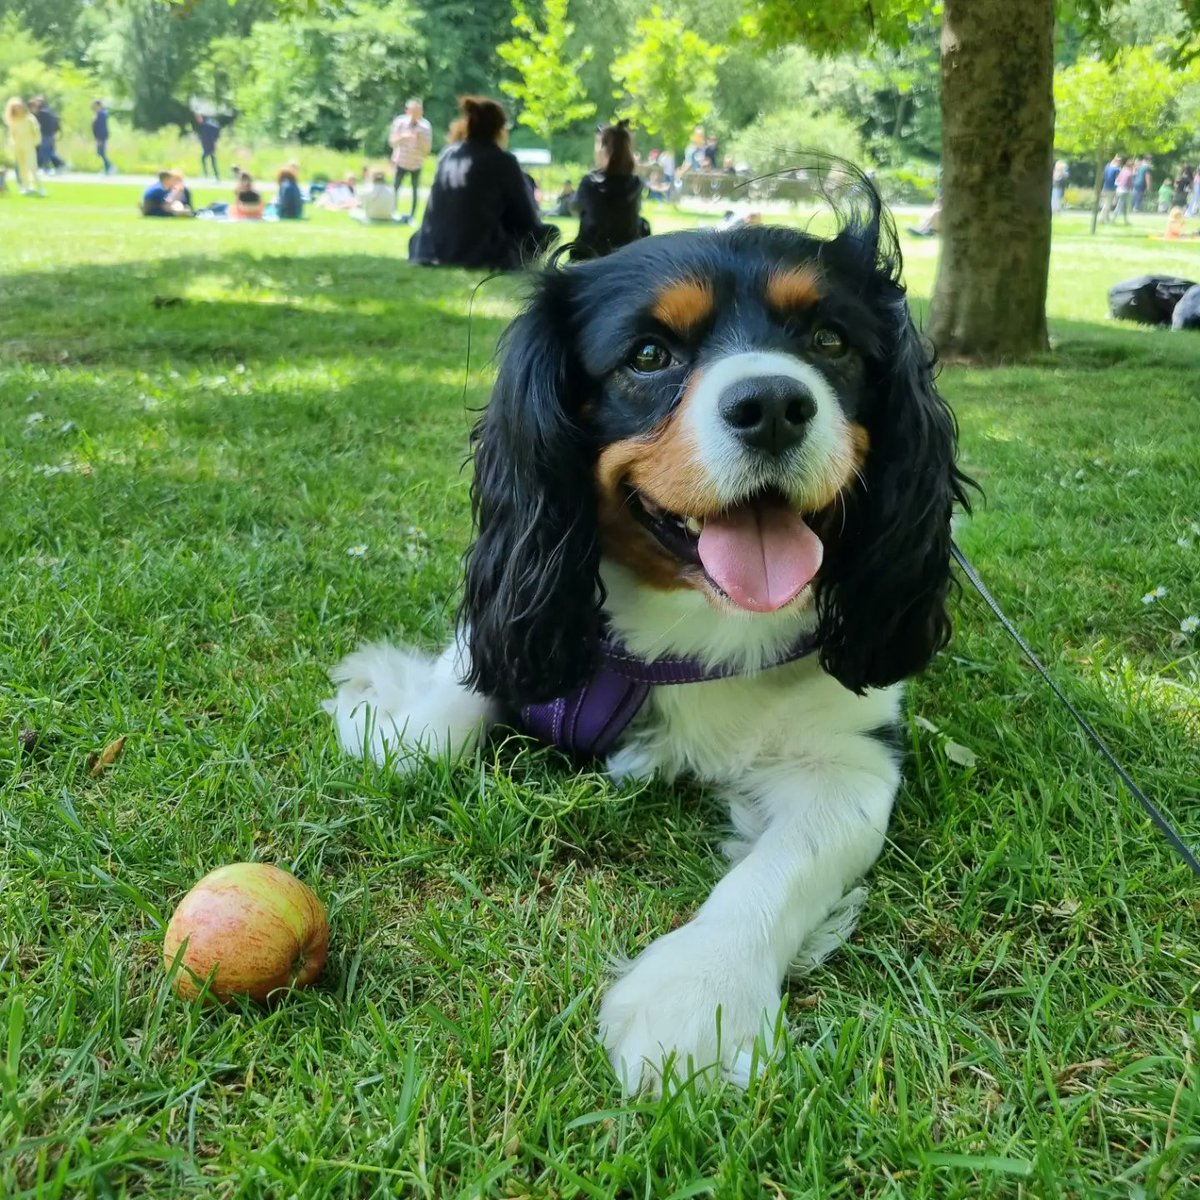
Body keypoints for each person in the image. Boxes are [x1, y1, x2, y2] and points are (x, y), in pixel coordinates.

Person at [408, 95, 558, 269]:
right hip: (478, 253)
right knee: (549, 233)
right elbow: (526, 220)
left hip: (428, 250)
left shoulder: (447, 155)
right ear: (499, 129)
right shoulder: (502, 161)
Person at [570, 120, 647, 261]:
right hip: (627, 255)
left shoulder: (590, 183)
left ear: (604, 149)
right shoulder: (636, 184)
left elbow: (575, 207)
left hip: (591, 256)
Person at [389, 98, 432, 225]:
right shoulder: (400, 122)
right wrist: (403, 136)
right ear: (407, 111)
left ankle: (412, 216)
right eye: (413, 111)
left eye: (418, 111)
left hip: (416, 163)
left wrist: (421, 138)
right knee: (395, 188)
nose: (415, 114)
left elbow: (427, 149)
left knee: (415, 190)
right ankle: (393, 212)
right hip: (400, 161)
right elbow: (392, 142)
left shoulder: (425, 126)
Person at [5, 97, 44, 195]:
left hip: (29, 146)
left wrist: (36, 143)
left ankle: (40, 188)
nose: (18, 109)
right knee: (22, 168)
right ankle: (26, 187)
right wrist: (12, 144)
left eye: (19, 106)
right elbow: (12, 135)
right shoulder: (13, 121)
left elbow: (36, 131)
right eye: (15, 107)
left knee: (32, 167)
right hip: (18, 148)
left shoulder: (29, 118)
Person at [30, 97, 65, 173]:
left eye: (38, 102)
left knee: (45, 151)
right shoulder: (48, 111)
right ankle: (48, 167)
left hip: (46, 135)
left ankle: (61, 163)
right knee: (48, 151)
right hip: (49, 134)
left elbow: (38, 125)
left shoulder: (42, 113)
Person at [91, 100, 114, 175]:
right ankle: (107, 167)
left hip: (101, 137)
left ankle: (109, 167)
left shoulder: (101, 115)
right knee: (100, 152)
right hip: (99, 137)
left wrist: (100, 138)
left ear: (99, 106)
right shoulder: (99, 114)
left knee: (101, 152)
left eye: (95, 106)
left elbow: (101, 127)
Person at [195, 114, 221, 180]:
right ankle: (213, 175)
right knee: (209, 160)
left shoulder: (207, 126)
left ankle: (210, 175)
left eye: (199, 118)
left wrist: (214, 145)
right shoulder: (204, 126)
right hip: (207, 147)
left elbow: (211, 137)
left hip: (210, 146)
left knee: (210, 160)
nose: (198, 120)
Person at [1100, 153, 1121, 222]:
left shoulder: (1107, 166)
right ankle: (1101, 218)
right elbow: (1118, 179)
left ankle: (1107, 218)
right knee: (1107, 204)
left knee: (1106, 203)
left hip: (1105, 187)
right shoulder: (1117, 169)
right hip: (1112, 188)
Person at [1113, 158, 1134, 224]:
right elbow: (1128, 182)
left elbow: (1117, 180)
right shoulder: (1129, 173)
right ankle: (1113, 219)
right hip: (1125, 191)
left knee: (1123, 206)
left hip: (1119, 189)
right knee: (1121, 206)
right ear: (1131, 166)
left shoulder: (1122, 170)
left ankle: (1125, 220)